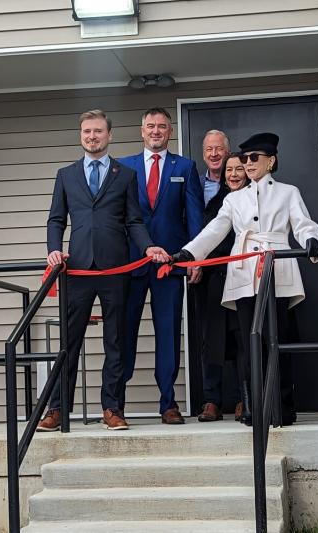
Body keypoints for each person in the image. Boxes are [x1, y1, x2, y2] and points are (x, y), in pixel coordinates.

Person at [172, 132, 318, 426]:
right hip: (243, 275)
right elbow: (216, 229)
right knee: (250, 343)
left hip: (277, 270)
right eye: (244, 158)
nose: (248, 163)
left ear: (271, 161)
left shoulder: (288, 192)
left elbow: (303, 224)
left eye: (254, 158)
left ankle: (282, 407)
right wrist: (191, 253)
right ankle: (256, 406)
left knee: (277, 339)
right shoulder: (234, 199)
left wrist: (312, 240)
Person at [37, 109, 169, 432]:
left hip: (115, 269)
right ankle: (56, 409)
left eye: (98, 131)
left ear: (109, 135)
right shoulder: (66, 175)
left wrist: (148, 246)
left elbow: (133, 221)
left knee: (116, 342)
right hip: (78, 269)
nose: (92, 136)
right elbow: (56, 219)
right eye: (87, 132)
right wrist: (53, 249)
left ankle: (112, 407)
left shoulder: (124, 175)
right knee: (69, 341)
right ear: (81, 136)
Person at [118, 107, 204, 424]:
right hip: (131, 265)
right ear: (142, 131)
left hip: (170, 265)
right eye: (151, 126)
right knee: (124, 333)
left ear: (170, 132)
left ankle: (168, 402)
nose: (156, 131)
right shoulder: (123, 168)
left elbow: (194, 216)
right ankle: (116, 404)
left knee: (168, 333)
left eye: (162, 127)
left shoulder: (185, 167)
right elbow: (117, 217)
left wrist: (195, 257)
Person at [197, 153, 249, 423]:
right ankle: (211, 401)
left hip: (244, 276)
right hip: (216, 277)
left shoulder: (254, 200)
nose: (234, 174)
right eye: (230, 170)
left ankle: (244, 398)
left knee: (242, 338)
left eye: (239, 169)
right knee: (212, 340)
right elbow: (208, 236)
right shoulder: (216, 202)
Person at [200, 130, 230, 207]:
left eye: (219, 148)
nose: (214, 154)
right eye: (209, 149)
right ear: (204, 155)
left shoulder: (240, 182)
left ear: (228, 153)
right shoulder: (196, 184)